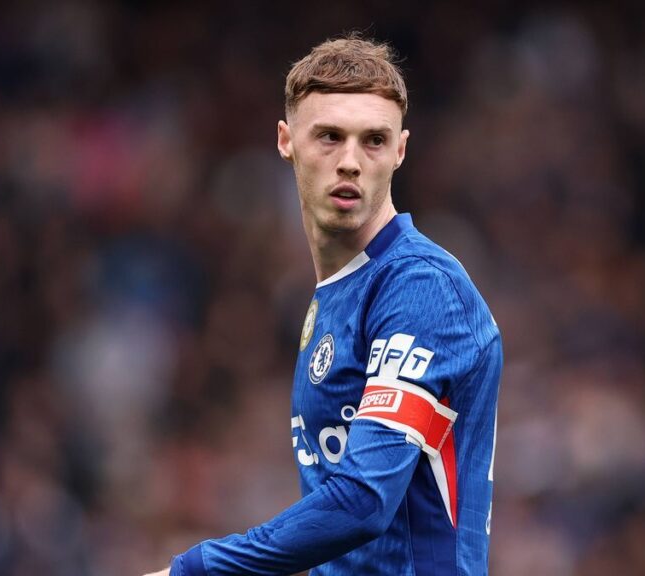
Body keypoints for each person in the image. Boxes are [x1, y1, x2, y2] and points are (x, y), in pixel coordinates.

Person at [144, 34, 502, 576]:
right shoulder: (336, 294)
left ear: (400, 151)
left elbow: (362, 502)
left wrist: (194, 570)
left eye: (374, 141)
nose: (351, 162)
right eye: (330, 137)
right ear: (287, 141)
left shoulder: (421, 289)